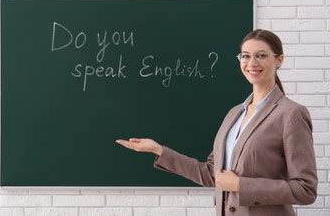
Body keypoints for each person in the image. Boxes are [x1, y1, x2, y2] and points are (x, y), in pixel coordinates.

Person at [116, 29, 317, 216]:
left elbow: (305, 189)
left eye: (261, 55)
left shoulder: (291, 114)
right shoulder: (234, 114)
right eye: (245, 56)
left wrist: (240, 185)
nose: (252, 63)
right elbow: (212, 175)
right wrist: (159, 150)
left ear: (279, 60)